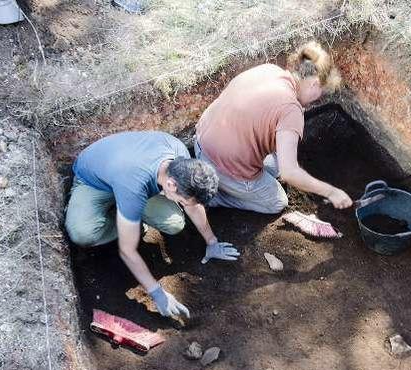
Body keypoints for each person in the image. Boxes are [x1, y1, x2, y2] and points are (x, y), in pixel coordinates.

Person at [65, 131, 238, 319]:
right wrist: (157, 293)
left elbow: (194, 207)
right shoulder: (134, 184)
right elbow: (127, 251)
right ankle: (127, 220)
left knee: (174, 223)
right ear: (171, 185)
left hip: (127, 175)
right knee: (82, 233)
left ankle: (128, 217)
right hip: (95, 182)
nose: (187, 205)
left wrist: (212, 242)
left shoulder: (181, 160)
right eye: (184, 201)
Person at [194, 40, 353, 214]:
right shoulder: (291, 111)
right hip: (221, 166)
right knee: (277, 202)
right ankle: (215, 197)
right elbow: (289, 173)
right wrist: (332, 192)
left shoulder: (270, 70)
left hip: (202, 140)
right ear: (315, 83)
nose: (319, 96)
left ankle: (224, 181)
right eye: (321, 90)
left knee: (275, 166)